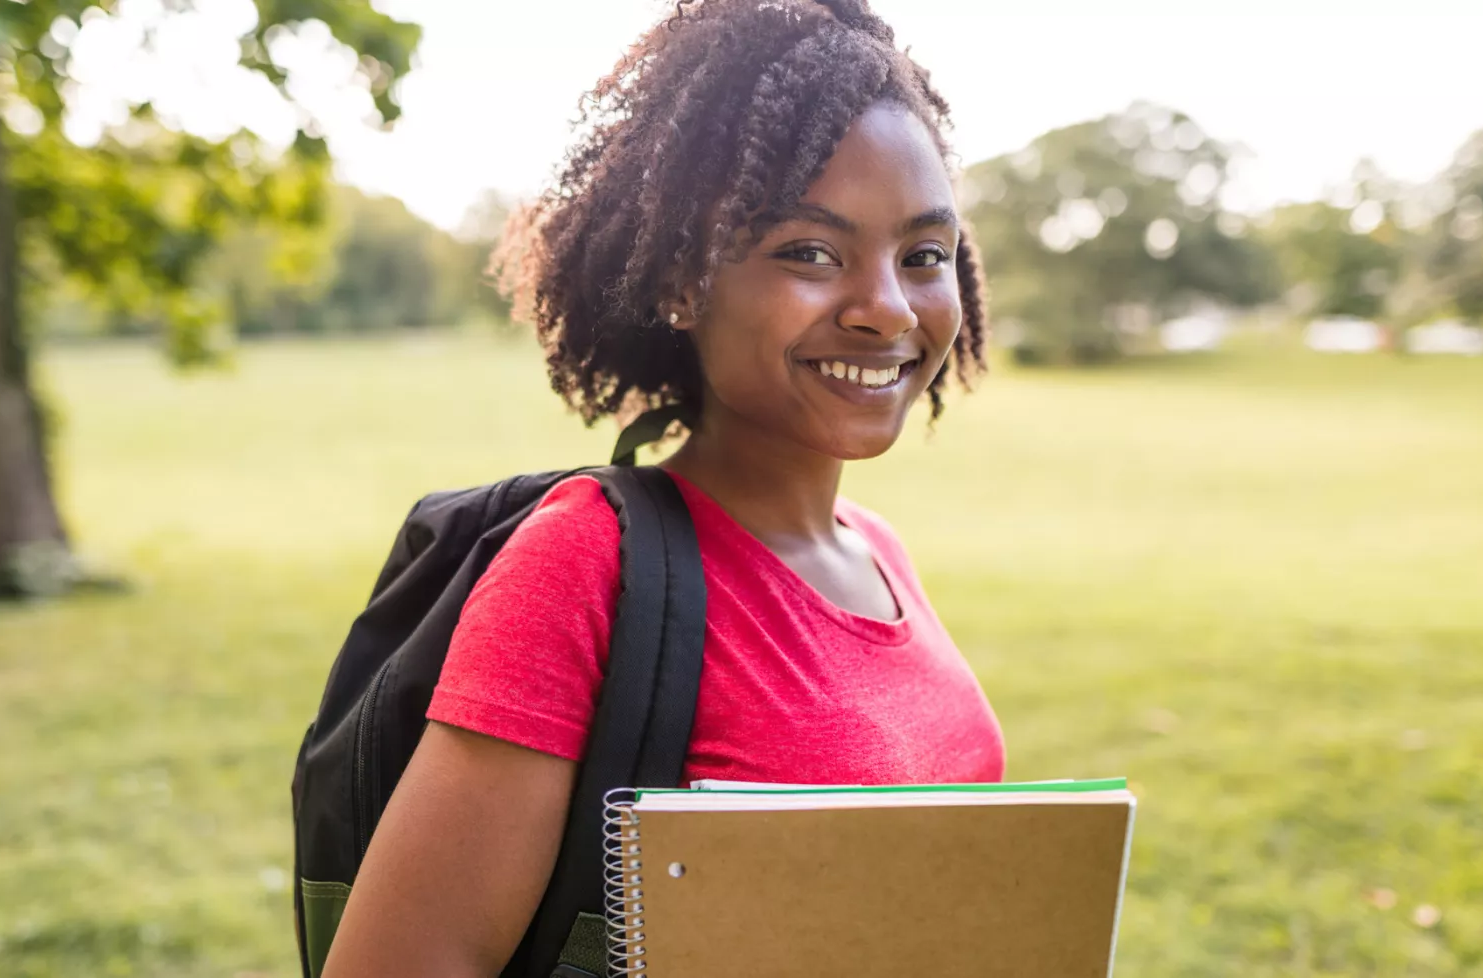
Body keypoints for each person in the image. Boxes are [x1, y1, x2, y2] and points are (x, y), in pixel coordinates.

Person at [323, 1, 1003, 974]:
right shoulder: (587, 558)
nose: (885, 309)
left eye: (923, 256)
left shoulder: (878, 552)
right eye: (809, 252)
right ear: (682, 281)